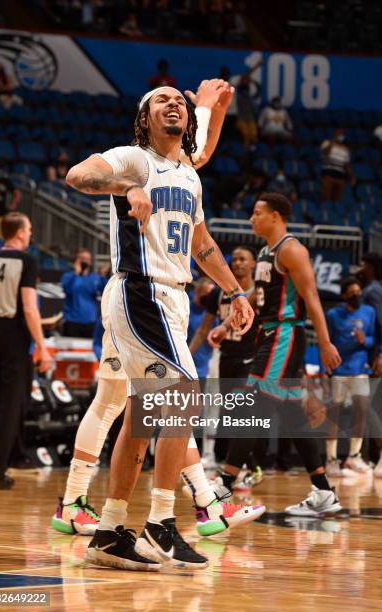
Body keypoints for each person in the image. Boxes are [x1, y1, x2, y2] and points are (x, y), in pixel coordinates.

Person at [65, 84, 256, 570]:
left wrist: (235, 292)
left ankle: (109, 533)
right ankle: (161, 525)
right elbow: (77, 174)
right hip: (141, 290)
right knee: (184, 396)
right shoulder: (133, 159)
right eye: (160, 100)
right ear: (144, 119)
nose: (173, 104)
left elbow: (201, 241)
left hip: (173, 297)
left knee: (142, 417)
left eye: (179, 101)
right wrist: (123, 187)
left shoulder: (188, 175)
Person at [210, 193, 343, 516]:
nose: (251, 218)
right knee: (293, 416)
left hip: (284, 334)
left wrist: (324, 343)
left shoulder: (292, 249)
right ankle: (324, 492)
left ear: (276, 216)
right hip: (269, 334)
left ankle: (224, 485)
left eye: (257, 213)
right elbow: (257, 294)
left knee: (251, 403)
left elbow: (311, 297)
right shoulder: (265, 251)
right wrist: (227, 324)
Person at [0, 212, 53, 489]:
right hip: (15, 332)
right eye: (29, 229)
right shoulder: (27, 261)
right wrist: (42, 347)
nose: (30, 234)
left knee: (1, 400)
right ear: (19, 232)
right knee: (11, 403)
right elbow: (30, 308)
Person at [188, 246, 262, 489]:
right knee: (227, 416)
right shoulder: (218, 294)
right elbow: (203, 328)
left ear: (253, 264)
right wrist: (188, 355)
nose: (238, 263)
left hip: (250, 358)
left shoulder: (258, 293)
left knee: (240, 412)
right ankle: (238, 469)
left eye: (244, 259)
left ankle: (251, 468)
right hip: (225, 357)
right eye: (235, 259)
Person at [324, 277, 375, 476]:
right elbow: (326, 342)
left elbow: (373, 340)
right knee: (334, 416)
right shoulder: (334, 314)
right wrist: (324, 368)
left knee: (361, 411)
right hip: (338, 370)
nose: (356, 295)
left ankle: (354, 457)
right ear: (344, 295)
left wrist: (366, 340)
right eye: (352, 292)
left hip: (360, 370)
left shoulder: (369, 312)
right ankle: (331, 460)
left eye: (358, 291)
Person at [358, 252, 382, 476]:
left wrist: (380, 354)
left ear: (372, 267)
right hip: (370, 355)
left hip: (376, 357)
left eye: (364, 264)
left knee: (370, 407)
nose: (361, 268)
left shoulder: (373, 291)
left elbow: (380, 322)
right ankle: (369, 458)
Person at [61, 249, 107, 338]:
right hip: (72, 321)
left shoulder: (96, 278)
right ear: (77, 260)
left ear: (90, 262)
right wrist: (76, 273)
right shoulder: (68, 276)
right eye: (82, 258)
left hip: (90, 322)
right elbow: (67, 290)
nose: (85, 261)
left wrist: (103, 276)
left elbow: (106, 292)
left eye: (87, 259)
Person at [320, 128, 355, 202]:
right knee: (325, 199)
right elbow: (326, 152)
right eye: (339, 133)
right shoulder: (327, 143)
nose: (340, 135)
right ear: (334, 133)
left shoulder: (345, 149)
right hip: (328, 175)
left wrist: (351, 176)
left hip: (340, 177)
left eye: (342, 134)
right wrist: (333, 141)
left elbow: (346, 164)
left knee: (337, 201)